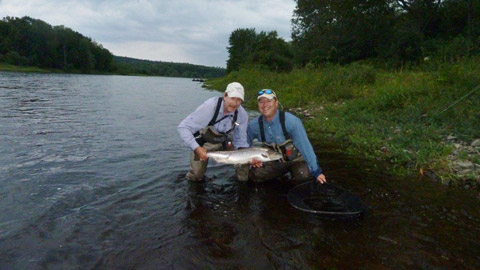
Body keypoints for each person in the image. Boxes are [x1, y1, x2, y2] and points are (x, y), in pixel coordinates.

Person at [247, 89, 327, 184]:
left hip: (296, 160)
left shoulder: (292, 122)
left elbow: (306, 147)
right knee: (256, 175)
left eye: (269, 101)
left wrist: (317, 172)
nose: (265, 105)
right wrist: (251, 160)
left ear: (276, 103)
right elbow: (244, 145)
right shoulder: (253, 126)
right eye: (261, 102)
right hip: (273, 162)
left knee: (303, 175)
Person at [178, 82, 249, 181]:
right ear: (225, 96)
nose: (235, 103)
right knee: (196, 176)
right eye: (232, 98)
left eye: (239, 100)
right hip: (204, 144)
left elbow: (241, 141)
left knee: (245, 164)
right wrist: (197, 148)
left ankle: (241, 184)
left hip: (225, 143)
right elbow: (183, 127)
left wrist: (248, 157)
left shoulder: (242, 115)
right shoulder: (210, 107)